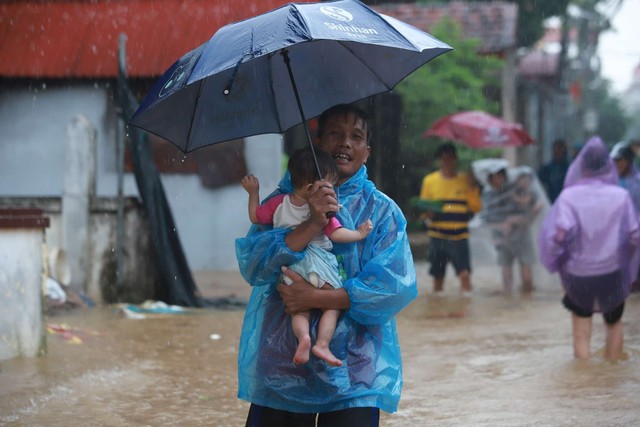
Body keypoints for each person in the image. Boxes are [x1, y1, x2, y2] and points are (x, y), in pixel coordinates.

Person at [236, 104, 417, 426]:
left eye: (356, 137)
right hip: (285, 359)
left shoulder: (382, 211)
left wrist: (318, 298)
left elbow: (393, 289)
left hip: (353, 365)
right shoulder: (283, 202)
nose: (345, 143)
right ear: (318, 143)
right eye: (335, 134)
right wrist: (311, 223)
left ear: (366, 152)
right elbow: (254, 266)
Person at [240, 147, 373, 367]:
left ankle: (304, 338)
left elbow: (256, 217)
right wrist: (359, 233)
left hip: (288, 268)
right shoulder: (323, 209)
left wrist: (253, 192)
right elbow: (337, 234)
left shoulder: (278, 203)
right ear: (313, 188)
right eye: (329, 185)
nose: (332, 190)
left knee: (299, 309)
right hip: (316, 263)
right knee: (332, 305)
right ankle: (322, 343)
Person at [538, 136, 639, 361]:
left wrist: (556, 261)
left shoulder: (568, 197)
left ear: (581, 166)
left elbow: (557, 236)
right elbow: (634, 236)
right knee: (613, 324)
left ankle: (584, 385)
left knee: (581, 333)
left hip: (578, 274)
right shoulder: (620, 196)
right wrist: (624, 260)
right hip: (613, 272)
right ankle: (609, 379)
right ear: (608, 165)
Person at [419, 142, 482, 294]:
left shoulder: (466, 180)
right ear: (440, 160)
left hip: (459, 236)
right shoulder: (429, 181)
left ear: (456, 159)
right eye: (444, 158)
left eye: (451, 158)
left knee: (465, 274)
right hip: (437, 236)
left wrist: (473, 188)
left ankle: (467, 309)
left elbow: (476, 208)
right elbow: (423, 209)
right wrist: (428, 213)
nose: (447, 162)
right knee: (438, 278)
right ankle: (438, 313)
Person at [482, 165, 542, 295]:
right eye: (493, 178)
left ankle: (527, 304)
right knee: (507, 277)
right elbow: (486, 218)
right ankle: (508, 305)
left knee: (527, 280)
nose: (497, 180)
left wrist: (518, 219)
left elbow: (535, 206)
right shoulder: (488, 195)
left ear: (505, 177)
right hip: (502, 237)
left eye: (500, 176)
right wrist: (503, 225)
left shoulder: (516, 190)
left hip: (522, 235)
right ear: (489, 180)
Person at [538, 138, 570, 203]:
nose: (558, 152)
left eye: (560, 150)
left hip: (565, 201)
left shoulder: (569, 168)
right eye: (556, 150)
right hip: (551, 201)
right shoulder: (548, 168)